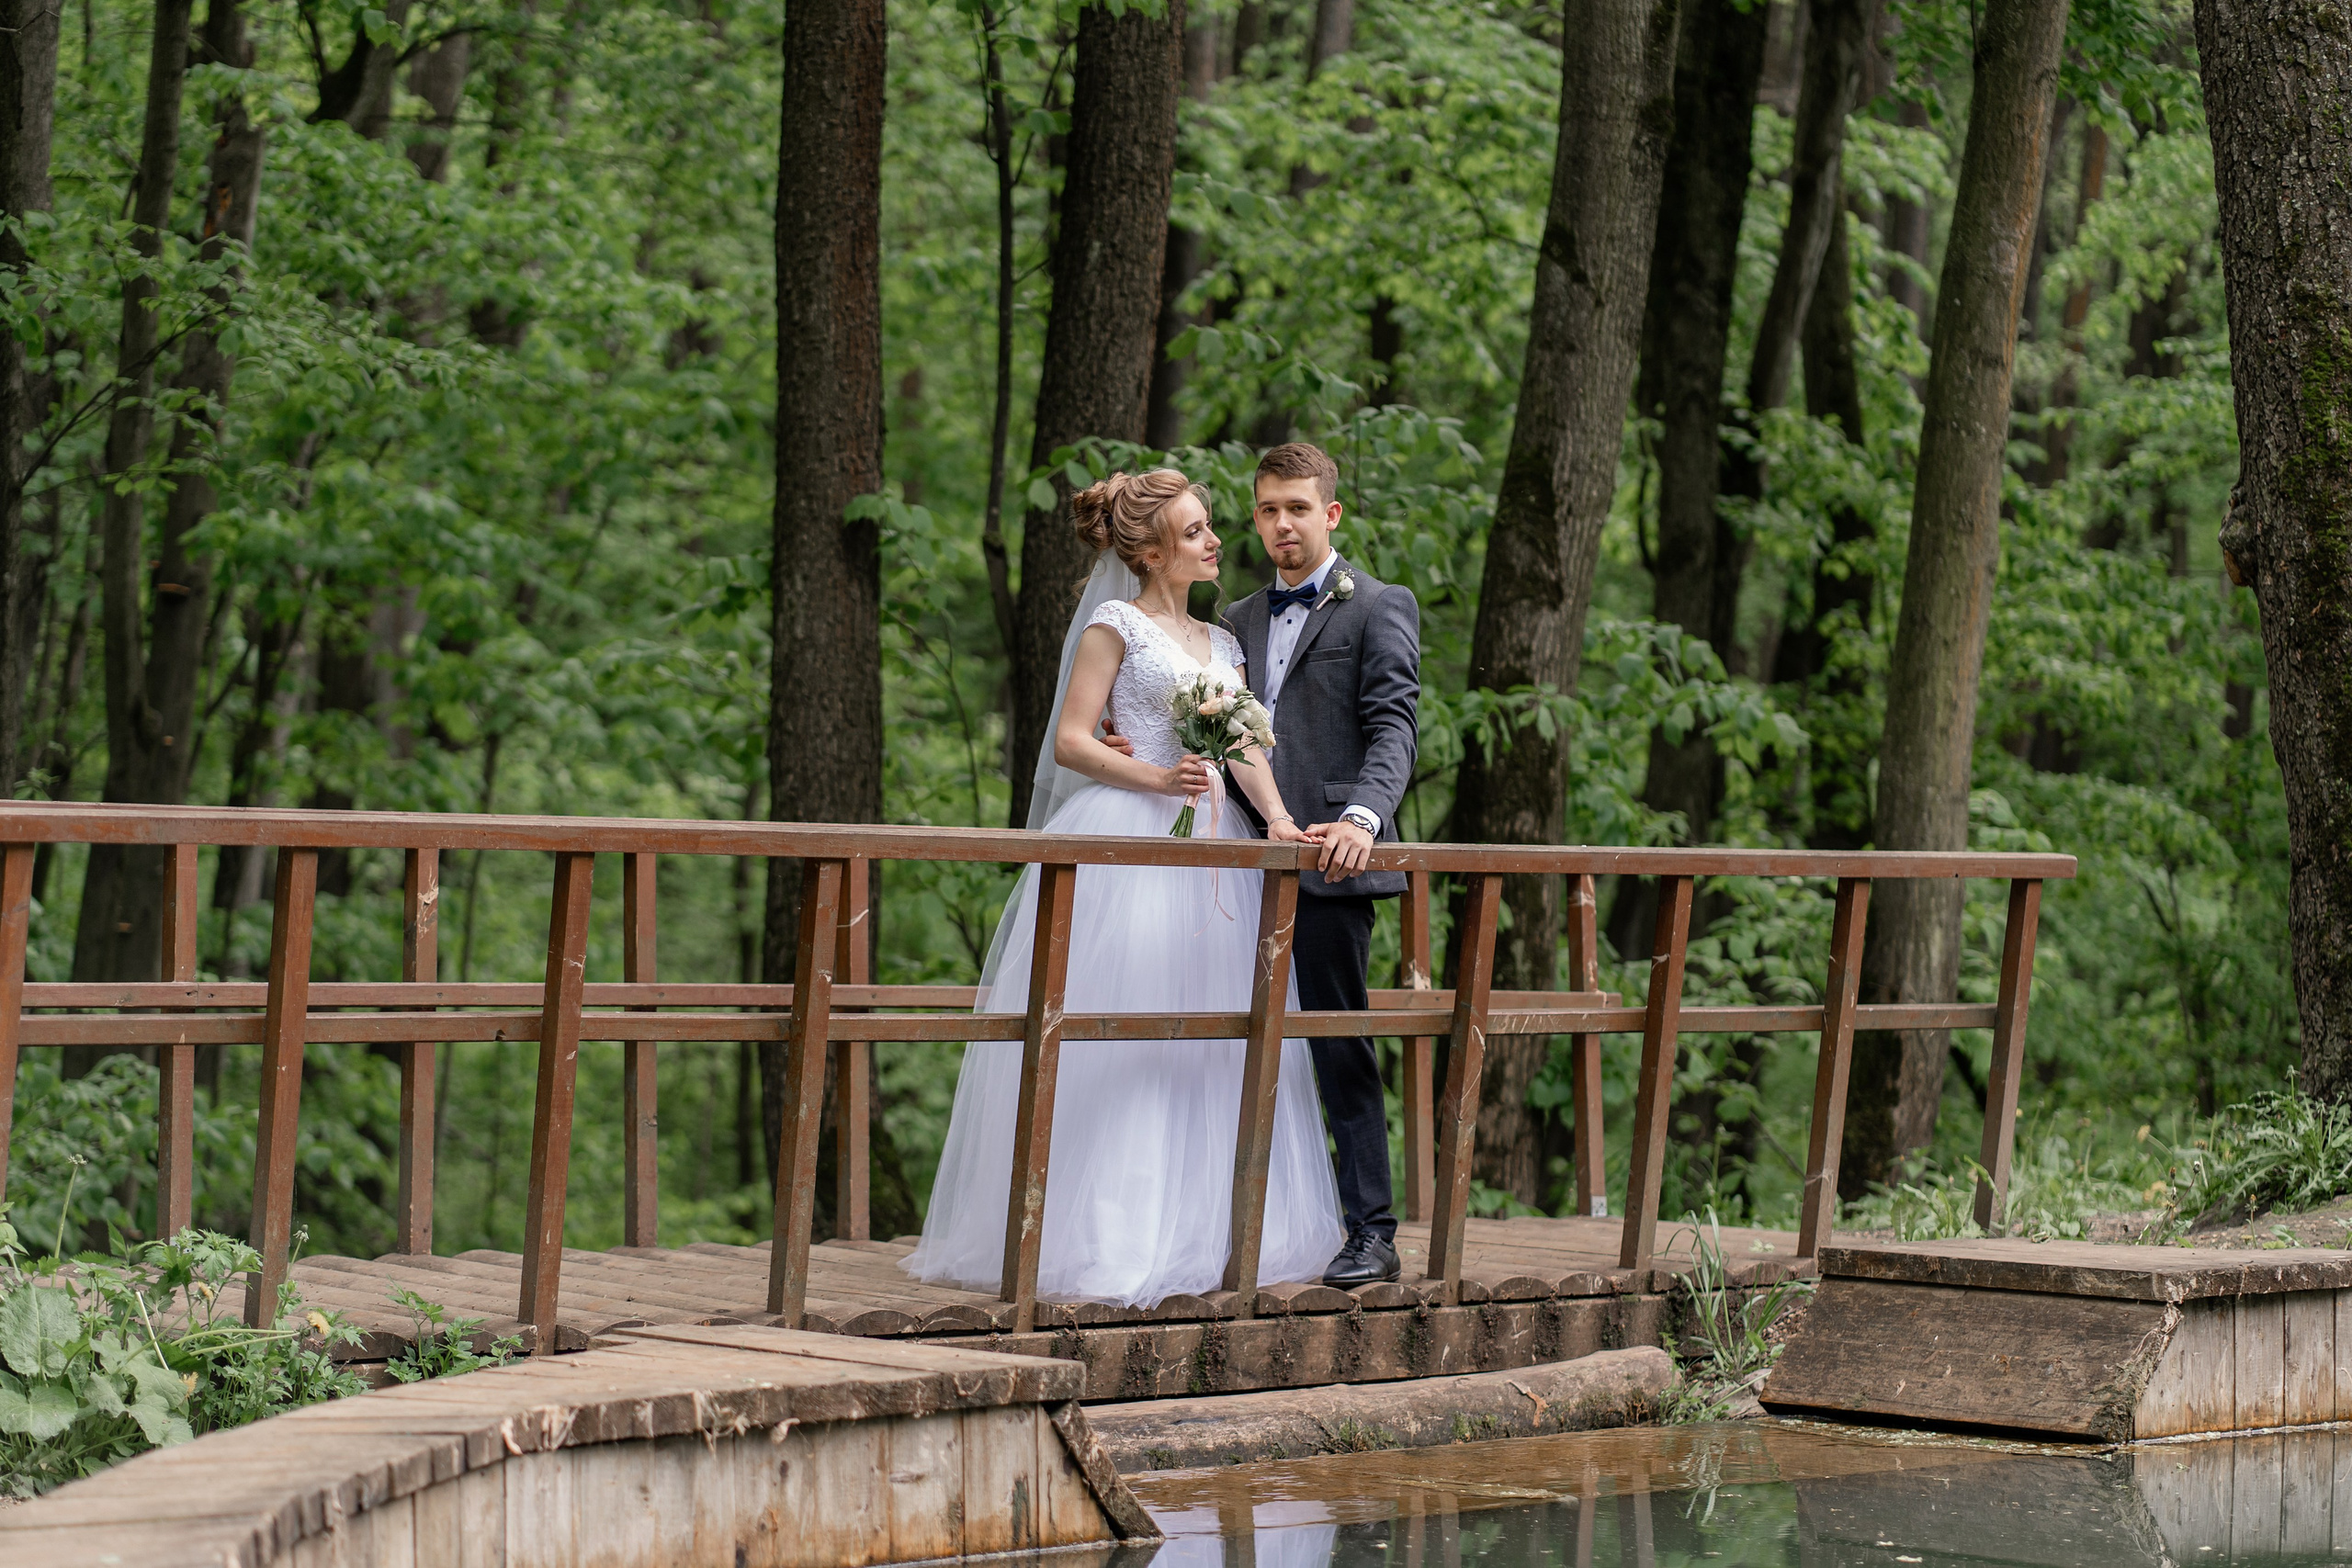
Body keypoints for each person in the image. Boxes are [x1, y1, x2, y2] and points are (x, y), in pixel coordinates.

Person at [902, 468, 1346, 1307]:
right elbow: (1072, 740)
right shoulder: (1116, 625)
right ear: (1148, 551)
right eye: (1195, 531)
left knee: (1218, 1044)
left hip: (1213, 852)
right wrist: (1152, 774)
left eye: (1211, 526)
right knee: (1128, 1038)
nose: (1216, 540)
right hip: (1129, 843)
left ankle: (1213, 1233)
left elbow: (1244, 745)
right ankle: (1109, 1235)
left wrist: (1282, 820)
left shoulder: (1223, 644)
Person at [1219, 442, 1420, 1287]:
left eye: (1297, 508)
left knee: (1340, 1045)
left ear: (1330, 513)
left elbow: (1395, 725)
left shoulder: (1378, 605)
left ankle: (1372, 1230)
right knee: (1223, 1049)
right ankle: (1239, 1229)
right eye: (1267, 509)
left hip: (1334, 863)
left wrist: (1362, 818)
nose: (1281, 524)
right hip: (1234, 863)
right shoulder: (1232, 619)